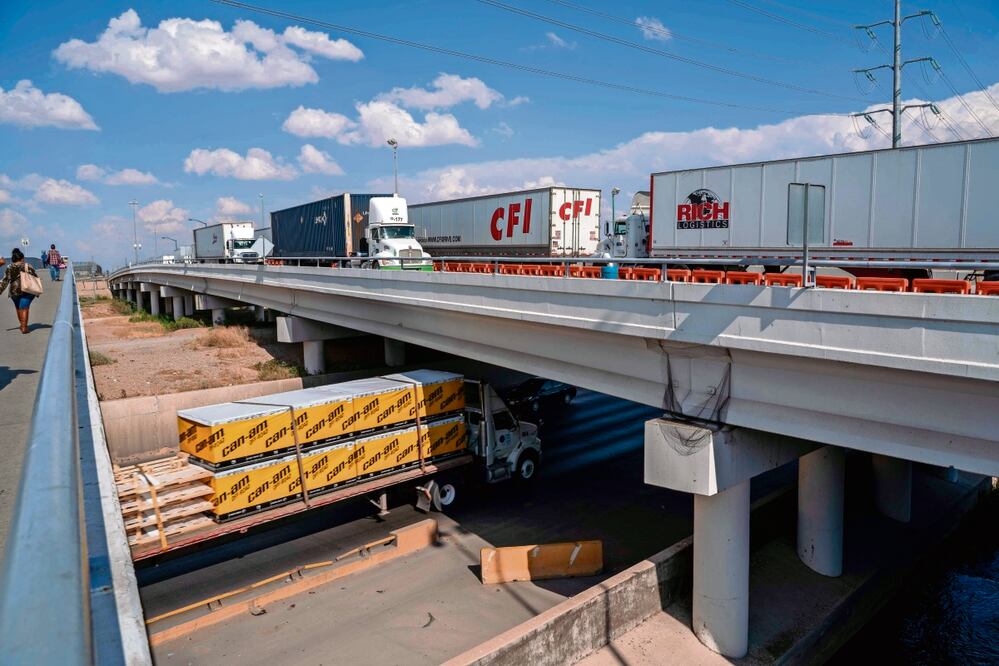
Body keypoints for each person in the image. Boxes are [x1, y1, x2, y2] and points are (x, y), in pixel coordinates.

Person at [0, 248, 40, 334]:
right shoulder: (27, 265)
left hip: (14, 290)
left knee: (18, 307)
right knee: (24, 307)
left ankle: (22, 325)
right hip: (27, 289)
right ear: (22, 258)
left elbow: (5, 280)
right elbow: (35, 276)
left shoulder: (9, 267)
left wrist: (0, 290)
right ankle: (24, 327)